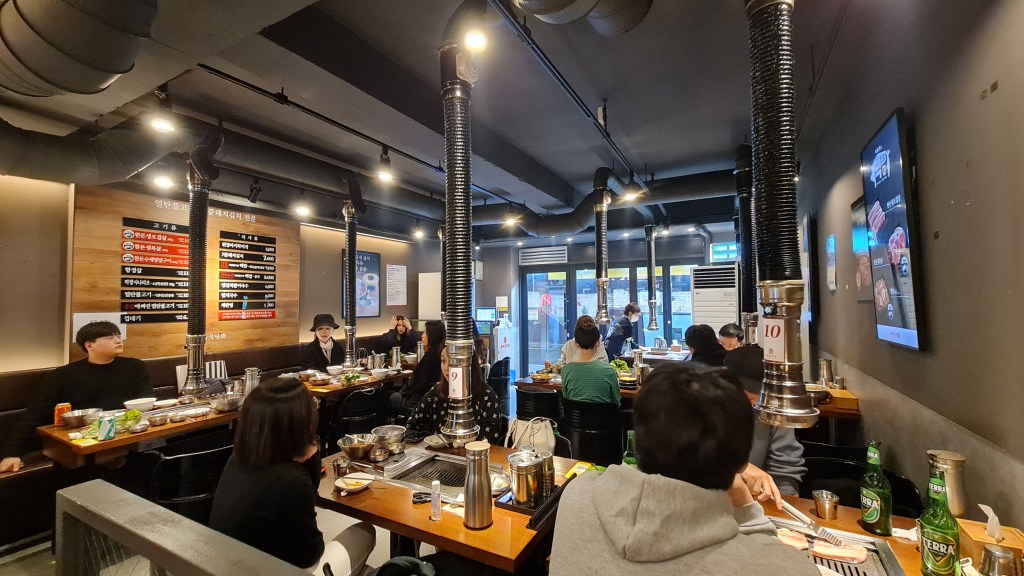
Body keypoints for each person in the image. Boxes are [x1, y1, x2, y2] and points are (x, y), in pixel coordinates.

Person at [549, 364, 818, 576]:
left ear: (636, 438)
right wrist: (748, 509)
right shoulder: (788, 569)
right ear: (742, 462)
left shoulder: (576, 493)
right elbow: (766, 554)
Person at [209, 378, 374, 574]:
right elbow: (310, 554)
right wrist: (312, 451)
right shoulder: (290, 480)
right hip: (276, 571)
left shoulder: (236, 459)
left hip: (224, 568)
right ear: (300, 422)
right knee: (365, 532)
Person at [1, 321, 151, 473]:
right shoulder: (64, 374)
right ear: (89, 345)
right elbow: (35, 414)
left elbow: (146, 400)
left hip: (128, 437)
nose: (118, 341)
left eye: (118, 336)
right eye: (109, 337)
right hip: (81, 442)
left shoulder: (135, 367)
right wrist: (12, 453)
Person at [724, 344, 807, 496]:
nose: (754, 402)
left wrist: (784, 501)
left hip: (753, 501)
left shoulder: (772, 410)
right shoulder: (703, 407)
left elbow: (784, 468)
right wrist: (736, 469)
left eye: (760, 395)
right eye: (747, 394)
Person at [406, 346, 502, 444]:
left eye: (454, 361)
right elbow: (411, 426)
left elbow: (490, 440)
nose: (446, 368)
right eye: (443, 361)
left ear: (469, 364)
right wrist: (431, 440)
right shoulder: (436, 392)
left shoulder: (486, 396)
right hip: (440, 452)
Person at [389, 320, 444, 417]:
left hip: (415, 405)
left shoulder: (431, 356)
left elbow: (416, 386)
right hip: (431, 404)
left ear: (432, 336)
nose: (422, 336)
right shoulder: (441, 354)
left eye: (425, 333)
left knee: (383, 395)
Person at [560, 318, 620, 407]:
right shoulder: (609, 370)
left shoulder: (566, 370)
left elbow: (566, 398)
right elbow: (616, 403)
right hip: (603, 416)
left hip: (574, 415)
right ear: (598, 343)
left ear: (576, 344)